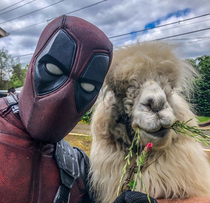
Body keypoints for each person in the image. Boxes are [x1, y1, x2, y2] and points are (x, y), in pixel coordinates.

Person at [0, 15, 157, 203]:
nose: (64, 95)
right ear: (33, 62)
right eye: (52, 69)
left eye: (88, 86)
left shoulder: (78, 168)